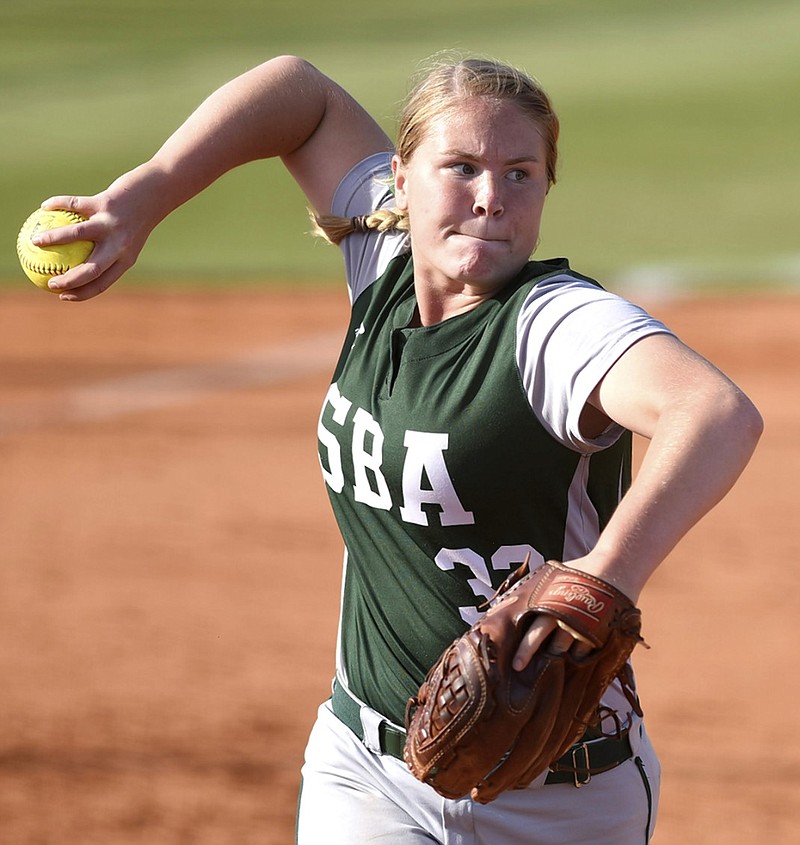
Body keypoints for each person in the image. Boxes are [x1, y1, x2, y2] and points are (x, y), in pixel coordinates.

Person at [32, 54, 762, 844]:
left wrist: (605, 574)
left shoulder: (554, 328)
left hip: (558, 799)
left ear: (548, 189)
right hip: (367, 770)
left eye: (521, 173)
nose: (490, 196)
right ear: (401, 178)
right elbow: (298, 93)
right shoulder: (380, 265)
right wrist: (147, 193)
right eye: (462, 167)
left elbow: (714, 411)